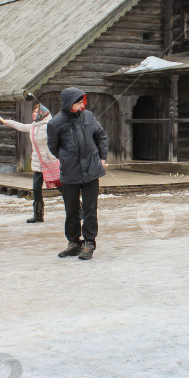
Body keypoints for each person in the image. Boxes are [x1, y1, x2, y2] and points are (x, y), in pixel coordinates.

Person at [47, 88, 108, 260]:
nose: (82, 105)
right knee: (72, 210)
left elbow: (100, 136)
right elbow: (53, 147)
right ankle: (73, 242)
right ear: (69, 103)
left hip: (91, 171)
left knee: (90, 209)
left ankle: (89, 242)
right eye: (78, 102)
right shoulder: (55, 123)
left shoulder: (88, 116)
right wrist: (66, 159)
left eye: (83, 102)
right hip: (70, 173)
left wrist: (102, 156)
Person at [1, 104, 57, 223]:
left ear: (42, 114)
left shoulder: (50, 126)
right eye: (33, 111)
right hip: (38, 164)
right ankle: (38, 215)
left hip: (51, 162)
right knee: (36, 189)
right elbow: (21, 126)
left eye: (36, 112)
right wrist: (8, 122)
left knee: (63, 188)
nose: (33, 114)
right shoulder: (34, 126)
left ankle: (78, 210)